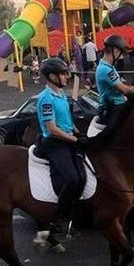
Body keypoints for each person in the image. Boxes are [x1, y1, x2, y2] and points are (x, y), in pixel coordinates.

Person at [35, 58, 83, 213]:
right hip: (55, 143)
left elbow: (67, 119)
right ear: (52, 77)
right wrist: (75, 139)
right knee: (72, 179)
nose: (67, 77)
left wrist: (77, 132)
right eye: (63, 74)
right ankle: (60, 217)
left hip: (68, 138)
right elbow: (53, 129)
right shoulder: (46, 99)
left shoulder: (61, 93)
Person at [95, 34, 134, 124]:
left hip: (116, 105)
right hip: (113, 109)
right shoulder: (105, 69)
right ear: (115, 50)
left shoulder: (109, 67)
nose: (122, 58)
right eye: (122, 54)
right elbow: (124, 90)